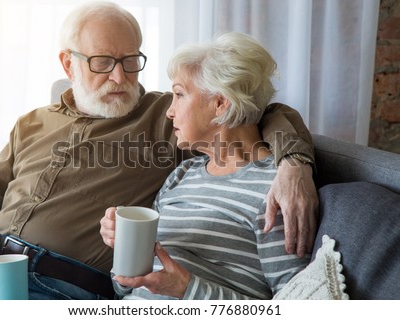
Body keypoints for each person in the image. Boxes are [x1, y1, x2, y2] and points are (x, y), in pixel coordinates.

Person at [0, 1, 317, 300]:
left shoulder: (166, 118)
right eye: (103, 62)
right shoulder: (32, 122)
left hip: (54, 287)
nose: (119, 77)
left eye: (130, 61)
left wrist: (294, 163)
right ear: (68, 64)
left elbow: (262, 111)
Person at [100, 32, 311, 300]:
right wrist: (125, 250)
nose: (169, 111)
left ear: (220, 103)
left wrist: (187, 290)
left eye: (179, 94)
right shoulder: (182, 175)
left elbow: (292, 302)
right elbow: (124, 288)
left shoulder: (279, 188)